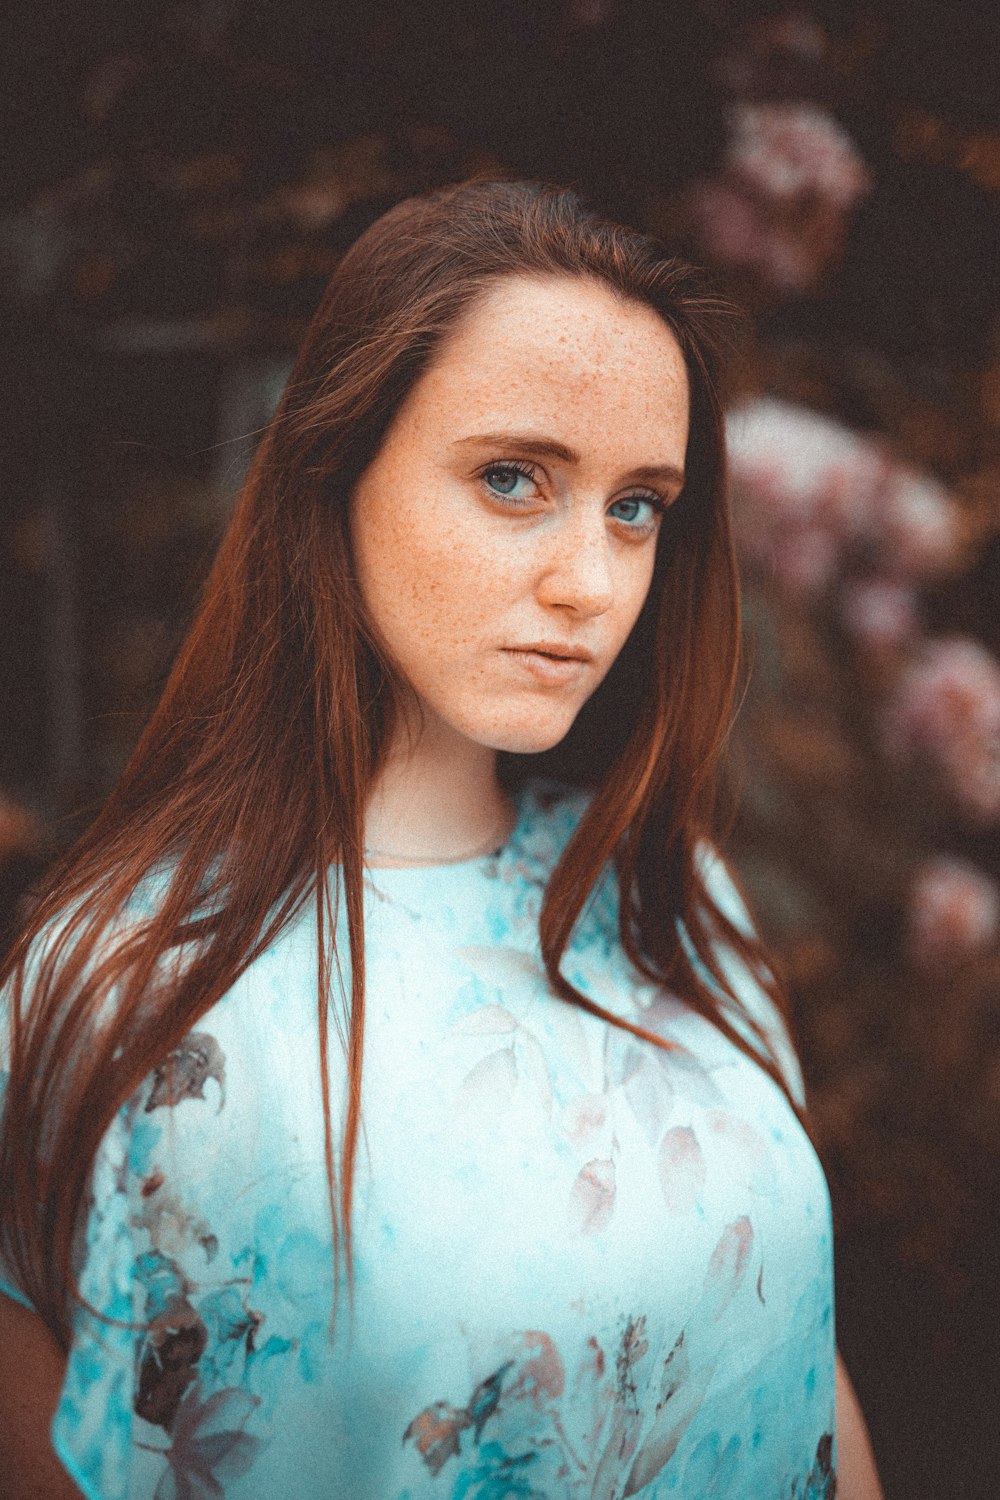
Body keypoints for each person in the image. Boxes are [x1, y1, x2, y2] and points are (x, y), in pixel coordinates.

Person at [0, 178, 882, 1499]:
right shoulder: (127, 983)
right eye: (514, 478)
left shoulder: (671, 889)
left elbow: (802, 1366)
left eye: (638, 505)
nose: (590, 580)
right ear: (335, 471)